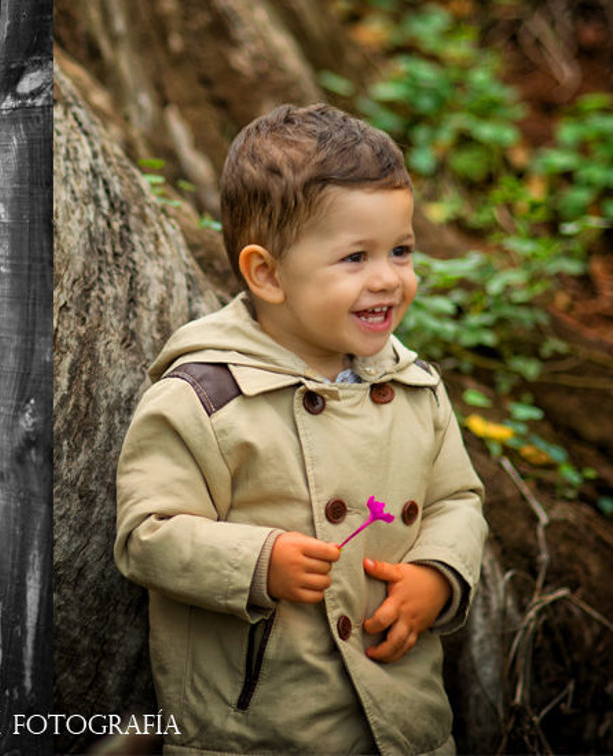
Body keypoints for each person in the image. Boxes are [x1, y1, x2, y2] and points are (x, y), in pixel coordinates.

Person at [114, 103, 487, 755]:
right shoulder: (205, 398)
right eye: (355, 257)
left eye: (401, 250)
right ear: (267, 273)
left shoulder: (413, 385)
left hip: (404, 716)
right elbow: (147, 535)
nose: (389, 279)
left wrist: (438, 575)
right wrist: (257, 562)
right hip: (261, 720)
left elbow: (456, 499)